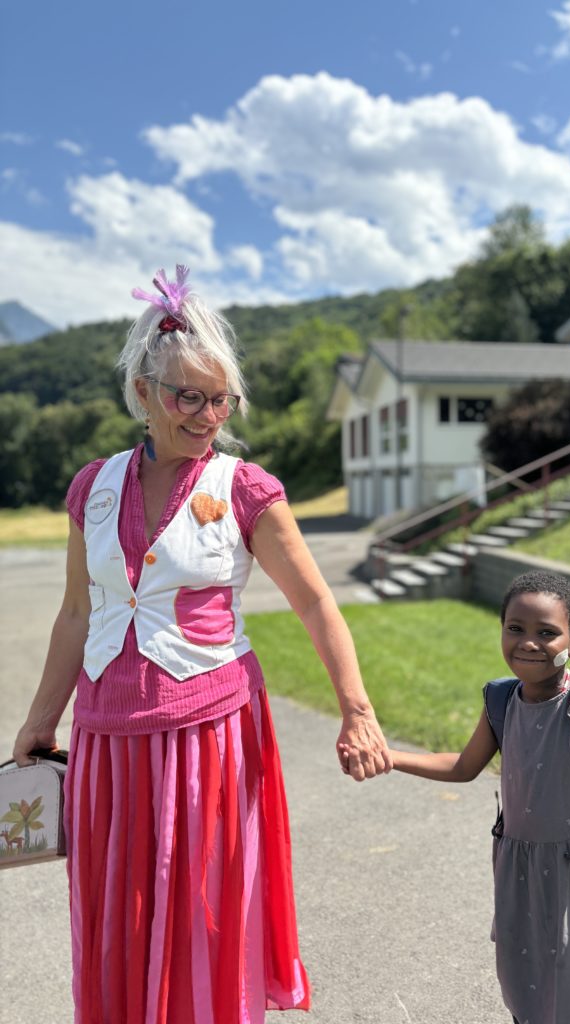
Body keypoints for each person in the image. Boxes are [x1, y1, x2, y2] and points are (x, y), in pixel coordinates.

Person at [11, 265, 392, 1024]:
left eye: (220, 399)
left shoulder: (247, 488)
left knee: (203, 919)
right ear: (144, 392)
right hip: (106, 743)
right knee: (116, 917)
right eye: (189, 396)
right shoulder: (92, 488)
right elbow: (76, 615)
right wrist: (38, 721)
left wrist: (357, 708)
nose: (207, 414)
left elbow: (316, 602)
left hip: (208, 739)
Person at [388, 570, 570, 1024]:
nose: (528, 643)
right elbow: (463, 766)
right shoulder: (501, 701)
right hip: (519, 876)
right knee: (527, 991)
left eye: (546, 633)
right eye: (516, 628)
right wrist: (389, 757)